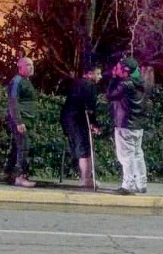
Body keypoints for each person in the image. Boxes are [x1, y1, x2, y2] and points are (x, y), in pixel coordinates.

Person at [107, 57, 148, 195]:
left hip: (125, 124)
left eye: (119, 68)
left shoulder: (125, 84)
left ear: (126, 71)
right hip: (138, 125)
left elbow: (110, 95)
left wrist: (114, 78)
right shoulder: (141, 81)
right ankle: (141, 184)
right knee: (137, 155)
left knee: (126, 156)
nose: (116, 70)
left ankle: (128, 185)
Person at [60, 64, 102, 188]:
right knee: (84, 148)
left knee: (80, 146)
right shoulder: (90, 86)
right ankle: (86, 179)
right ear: (89, 74)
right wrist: (95, 124)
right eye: (98, 73)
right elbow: (90, 108)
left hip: (67, 119)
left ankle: (85, 177)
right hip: (79, 120)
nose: (100, 77)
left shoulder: (76, 83)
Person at [4, 57, 37, 188]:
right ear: (20, 68)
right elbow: (13, 101)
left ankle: (9, 173)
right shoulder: (17, 81)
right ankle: (21, 177)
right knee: (23, 147)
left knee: (17, 147)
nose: (31, 67)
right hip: (21, 120)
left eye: (32, 65)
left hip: (26, 120)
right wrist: (18, 121)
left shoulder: (25, 81)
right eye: (28, 65)